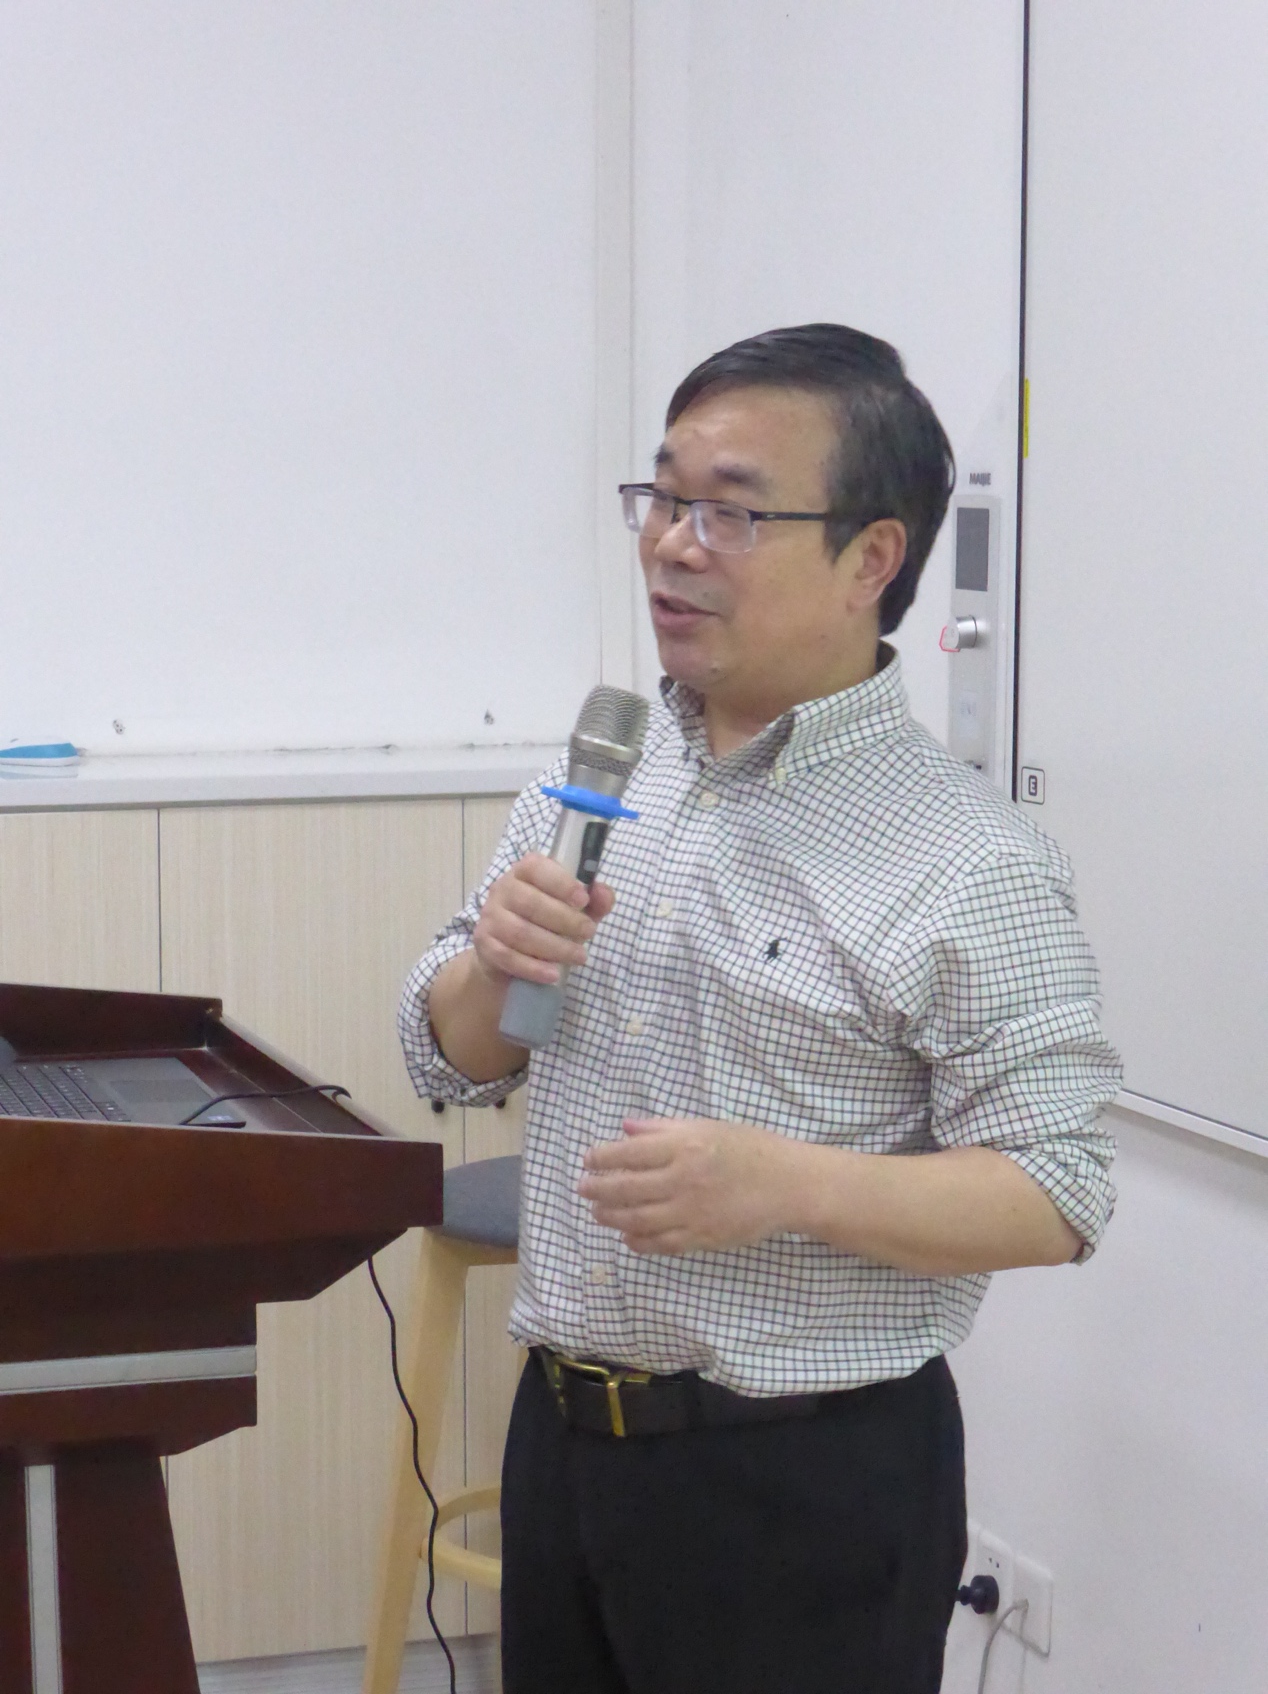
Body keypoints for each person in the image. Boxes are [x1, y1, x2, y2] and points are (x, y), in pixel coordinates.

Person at [399, 323, 1120, 1694]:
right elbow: (445, 1052)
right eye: (662, 497)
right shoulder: (601, 773)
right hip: (564, 1440)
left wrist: (783, 1185)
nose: (674, 545)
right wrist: (492, 966)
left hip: (801, 1484)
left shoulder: (971, 858)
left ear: (870, 558)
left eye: (730, 511)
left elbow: (1060, 1188)